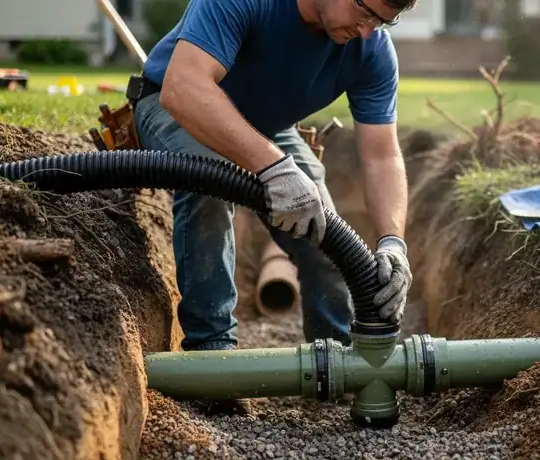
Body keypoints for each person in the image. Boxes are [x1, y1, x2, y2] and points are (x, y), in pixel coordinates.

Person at [131, 0, 415, 414]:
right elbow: (184, 88)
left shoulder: (371, 49)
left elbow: (382, 156)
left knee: (327, 230)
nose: (369, 31)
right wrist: (273, 167)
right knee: (210, 182)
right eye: (366, 13)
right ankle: (213, 367)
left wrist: (393, 242)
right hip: (173, 106)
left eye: (384, 23)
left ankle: (338, 365)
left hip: (266, 127)